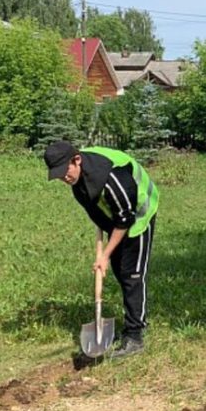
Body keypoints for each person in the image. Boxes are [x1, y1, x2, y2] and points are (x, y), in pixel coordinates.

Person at [43, 140, 159, 359]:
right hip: (117, 216)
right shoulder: (78, 176)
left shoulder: (112, 178)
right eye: (58, 175)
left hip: (139, 213)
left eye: (64, 172)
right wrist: (107, 252)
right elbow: (96, 209)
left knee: (132, 274)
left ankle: (135, 336)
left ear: (76, 160)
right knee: (119, 268)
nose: (63, 179)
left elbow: (125, 219)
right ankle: (127, 327)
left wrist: (104, 255)